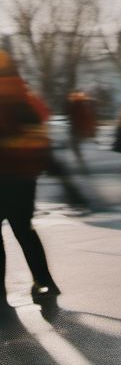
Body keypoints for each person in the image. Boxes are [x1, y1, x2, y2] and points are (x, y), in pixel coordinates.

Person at [0, 51, 62, 308]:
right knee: (24, 230)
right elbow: (41, 139)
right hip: (25, 178)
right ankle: (45, 281)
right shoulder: (27, 98)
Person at [65, 89, 97, 172]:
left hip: (78, 130)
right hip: (78, 129)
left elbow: (81, 119)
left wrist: (86, 130)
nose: (71, 97)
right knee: (75, 146)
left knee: (75, 146)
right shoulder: (81, 105)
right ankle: (80, 162)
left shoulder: (78, 105)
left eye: (73, 96)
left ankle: (81, 164)